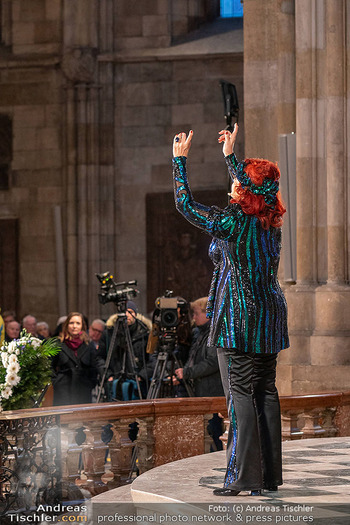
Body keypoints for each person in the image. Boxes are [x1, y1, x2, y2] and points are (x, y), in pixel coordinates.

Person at [172, 125, 289, 497]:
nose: (235, 186)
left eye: (240, 182)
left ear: (245, 190)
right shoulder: (270, 223)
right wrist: (230, 158)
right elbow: (260, 187)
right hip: (269, 316)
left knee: (239, 395)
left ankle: (242, 478)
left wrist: (179, 162)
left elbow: (185, 205)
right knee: (265, 393)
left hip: (238, 320)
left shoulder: (232, 222)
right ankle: (267, 477)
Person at [174, 296, 224, 451]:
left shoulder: (214, 333)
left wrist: (187, 372)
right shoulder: (198, 333)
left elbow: (212, 362)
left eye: (196, 313)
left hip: (211, 391)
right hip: (199, 390)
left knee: (214, 432)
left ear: (208, 314)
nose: (193, 317)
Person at [96, 301, 151, 400]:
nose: (127, 315)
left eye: (130, 312)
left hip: (138, 385)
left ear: (136, 314)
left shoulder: (145, 333)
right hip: (115, 383)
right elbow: (99, 357)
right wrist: (108, 375)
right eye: (124, 312)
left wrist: (142, 376)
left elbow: (152, 359)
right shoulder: (109, 333)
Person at [51, 312, 98, 405]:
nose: (74, 326)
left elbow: (94, 366)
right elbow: (50, 365)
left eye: (78, 323)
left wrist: (90, 383)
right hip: (62, 390)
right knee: (64, 418)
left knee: (82, 418)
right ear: (66, 325)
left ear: (82, 326)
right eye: (71, 323)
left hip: (83, 389)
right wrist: (55, 382)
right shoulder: (58, 343)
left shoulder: (88, 344)